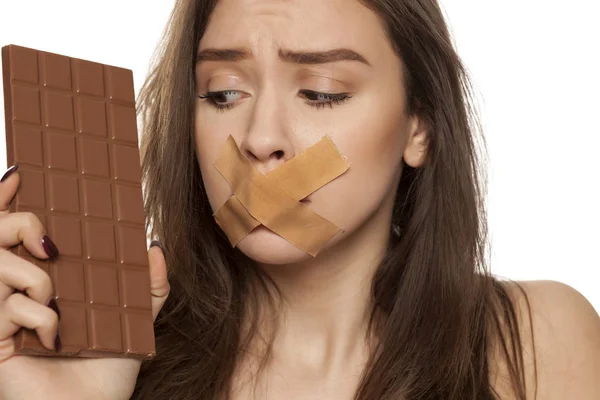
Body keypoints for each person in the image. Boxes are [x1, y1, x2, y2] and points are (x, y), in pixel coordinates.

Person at [1, 0, 599, 399]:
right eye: (223, 93)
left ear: (420, 126)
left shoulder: (535, 342)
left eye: (321, 92)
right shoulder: (119, 364)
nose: (261, 139)